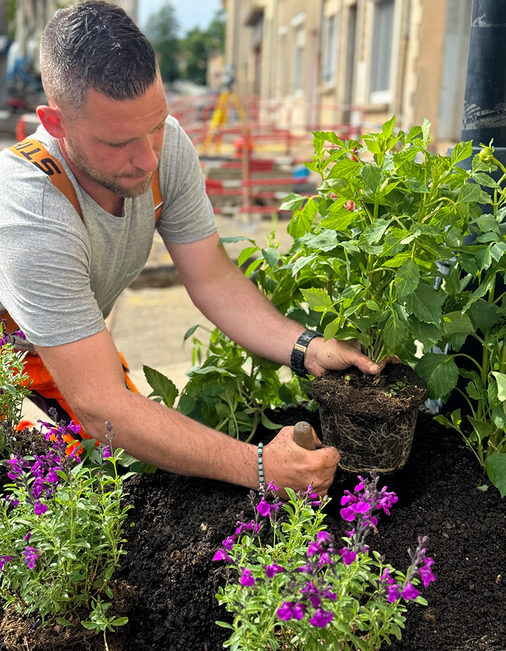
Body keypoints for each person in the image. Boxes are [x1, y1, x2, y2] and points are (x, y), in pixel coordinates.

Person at [0, 1, 383, 497]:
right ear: (56, 124)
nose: (147, 158)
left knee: (119, 478)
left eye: (155, 124)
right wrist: (261, 466)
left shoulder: (166, 150)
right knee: (33, 499)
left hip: (56, 344)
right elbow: (100, 405)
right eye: (118, 143)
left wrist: (308, 347)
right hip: (19, 344)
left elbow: (212, 277)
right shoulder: (31, 208)